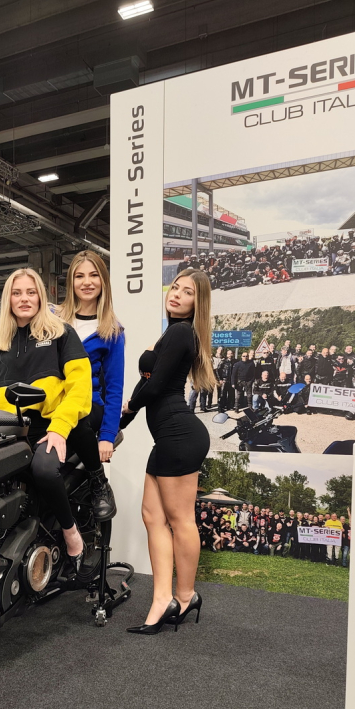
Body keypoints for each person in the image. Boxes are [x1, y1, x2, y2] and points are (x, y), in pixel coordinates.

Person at [0, 268, 92, 567]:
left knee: (45, 470)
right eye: (17, 293)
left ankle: (71, 533)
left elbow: (80, 388)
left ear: (40, 296)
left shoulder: (61, 333)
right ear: (8, 300)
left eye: (31, 292)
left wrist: (59, 428)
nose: (24, 299)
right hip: (7, 431)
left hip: (50, 425)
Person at [121, 269, 212, 634]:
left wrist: (127, 410)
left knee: (180, 519)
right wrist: (119, 423)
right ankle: (162, 599)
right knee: (152, 517)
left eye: (187, 292)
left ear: (197, 303)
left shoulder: (181, 332)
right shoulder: (172, 332)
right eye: (175, 287)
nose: (176, 294)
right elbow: (148, 386)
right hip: (168, 437)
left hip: (179, 435)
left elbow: (155, 387)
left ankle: (186, 596)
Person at [59, 249, 122, 519]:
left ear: (103, 281)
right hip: (54, 403)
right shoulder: (54, 320)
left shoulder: (112, 331)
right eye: (79, 276)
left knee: (77, 416)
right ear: (71, 282)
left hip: (88, 406)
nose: (87, 282)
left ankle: (99, 481)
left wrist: (107, 436)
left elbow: (115, 388)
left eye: (94, 275)